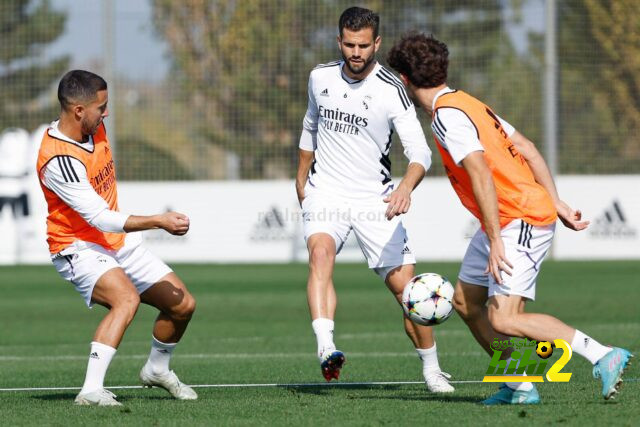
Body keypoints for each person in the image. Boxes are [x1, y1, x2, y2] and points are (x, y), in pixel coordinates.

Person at [386, 32, 633, 404]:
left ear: (404, 80)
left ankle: (602, 354)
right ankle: (520, 385)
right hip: (507, 219)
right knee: (466, 303)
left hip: (518, 220)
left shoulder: (447, 118)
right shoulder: (467, 103)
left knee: (505, 319)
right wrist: (558, 202)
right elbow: (528, 149)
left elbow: (481, 173)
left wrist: (499, 239)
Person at [296, 7, 453, 392]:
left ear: (376, 43)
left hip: (374, 199)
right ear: (339, 41)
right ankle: (326, 347)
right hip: (326, 191)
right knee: (320, 255)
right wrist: (301, 179)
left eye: (363, 45)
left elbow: (421, 153)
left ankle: (432, 370)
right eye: (349, 44)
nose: (356, 52)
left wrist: (405, 188)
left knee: (409, 292)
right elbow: (310, 126)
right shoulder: (320, 77)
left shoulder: (392, 90)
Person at [36, 70, 198, 406]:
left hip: (115, 244)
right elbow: (99, 217)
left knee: (182, 305)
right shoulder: (59, 160)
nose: (106, 112)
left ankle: (157, 369)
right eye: (101, 106)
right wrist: (158, 220)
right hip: (77, 246)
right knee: (126, 299)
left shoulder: (93, 127)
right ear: (79, 110)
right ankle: (91, 390)